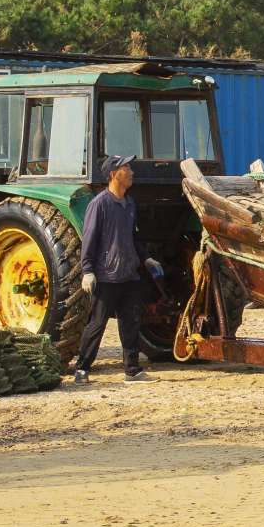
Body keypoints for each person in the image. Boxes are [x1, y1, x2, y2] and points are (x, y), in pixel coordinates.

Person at [74, 155, 164, 384]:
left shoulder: (129, 204)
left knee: (131, 323)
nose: (131, 172)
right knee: (97, 324)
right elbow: (89, 239)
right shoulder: (99, 204)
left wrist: (146, 259)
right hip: (106, 277)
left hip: (129, 275)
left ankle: (132, 370)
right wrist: (87, 270)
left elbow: (133, 237)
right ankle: (82, 369)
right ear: (114, 174)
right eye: (126, 168)